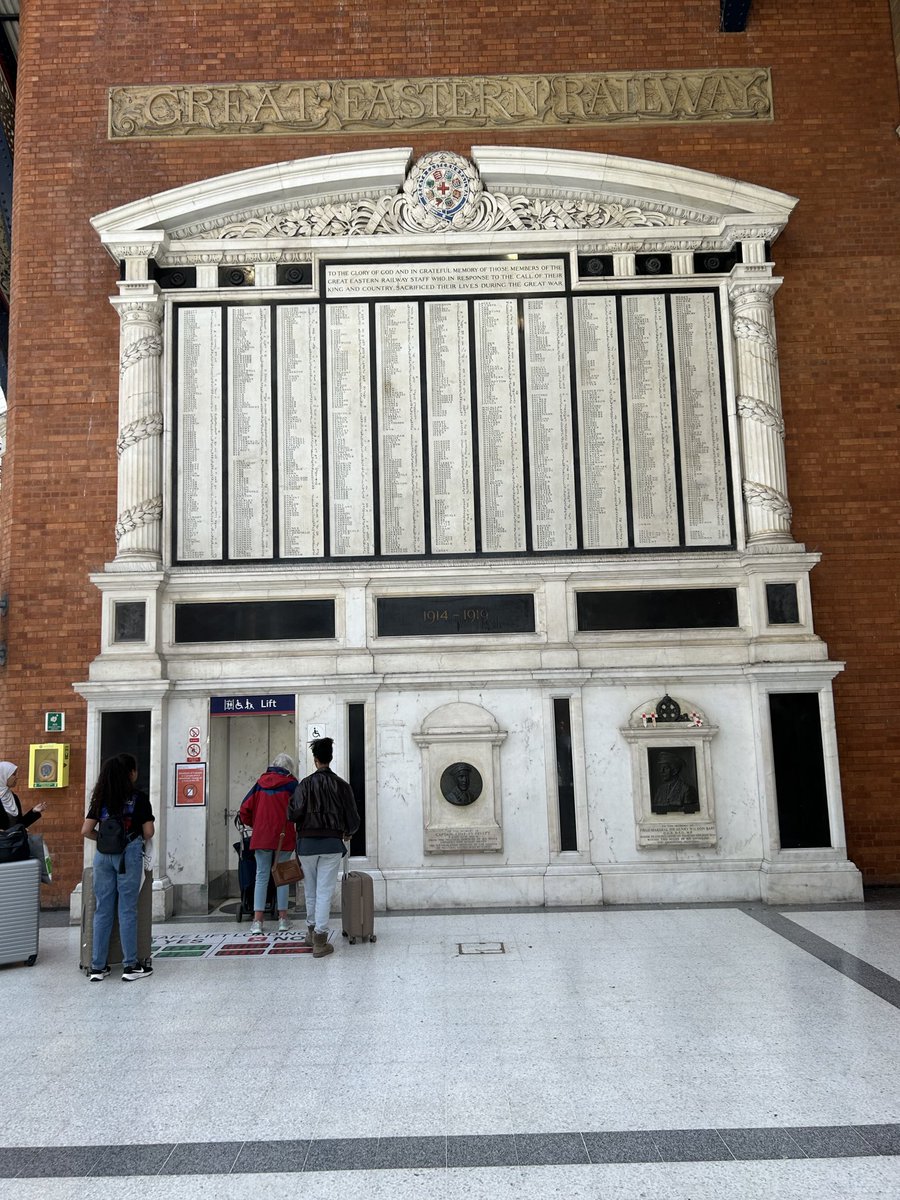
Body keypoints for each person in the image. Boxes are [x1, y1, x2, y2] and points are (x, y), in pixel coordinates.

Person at [81, 753, 155, 982]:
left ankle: (97, 967)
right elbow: (149, 832)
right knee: (127, 909)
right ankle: (130, 965)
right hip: (128, 856)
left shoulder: (100, 798)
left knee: (102, 909)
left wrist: (104, 840)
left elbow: (85, 830)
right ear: (130, 773)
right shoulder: (138, 798)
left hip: (102, 857)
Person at [288, 737, 359, 958]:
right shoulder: (342, 786)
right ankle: (320, 939)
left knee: (310, 889)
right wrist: (347, 831)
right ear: (330, 758)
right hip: (331, 843)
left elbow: (293, 813)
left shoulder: (305, 785)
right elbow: (353, 819)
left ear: (315, 759)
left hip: (306, 845)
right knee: (324, 891)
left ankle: (311, 931)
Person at [238, 752, 299, 936]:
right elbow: (299, 809)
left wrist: (255, 824)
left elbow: (244, 809)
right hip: (283, 837)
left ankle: (257, 921)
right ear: (289, 768)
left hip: (262, 837)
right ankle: (282, 919)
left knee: (261, 876)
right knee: (282, 877)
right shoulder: (292, 784)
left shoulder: (259, 784)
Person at [0, 761, 47, 831]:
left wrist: (34, 811)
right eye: (13, 774)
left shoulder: (14, 797)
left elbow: (20, 824)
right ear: (3, 775)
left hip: (15, 841)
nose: (16, 778)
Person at [651, 750, 700, 814]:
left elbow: (690, 813)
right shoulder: (660, 790)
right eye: (660, 768)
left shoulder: (687, 790)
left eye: (665, 768)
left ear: (675, 770)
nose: (661, 771)